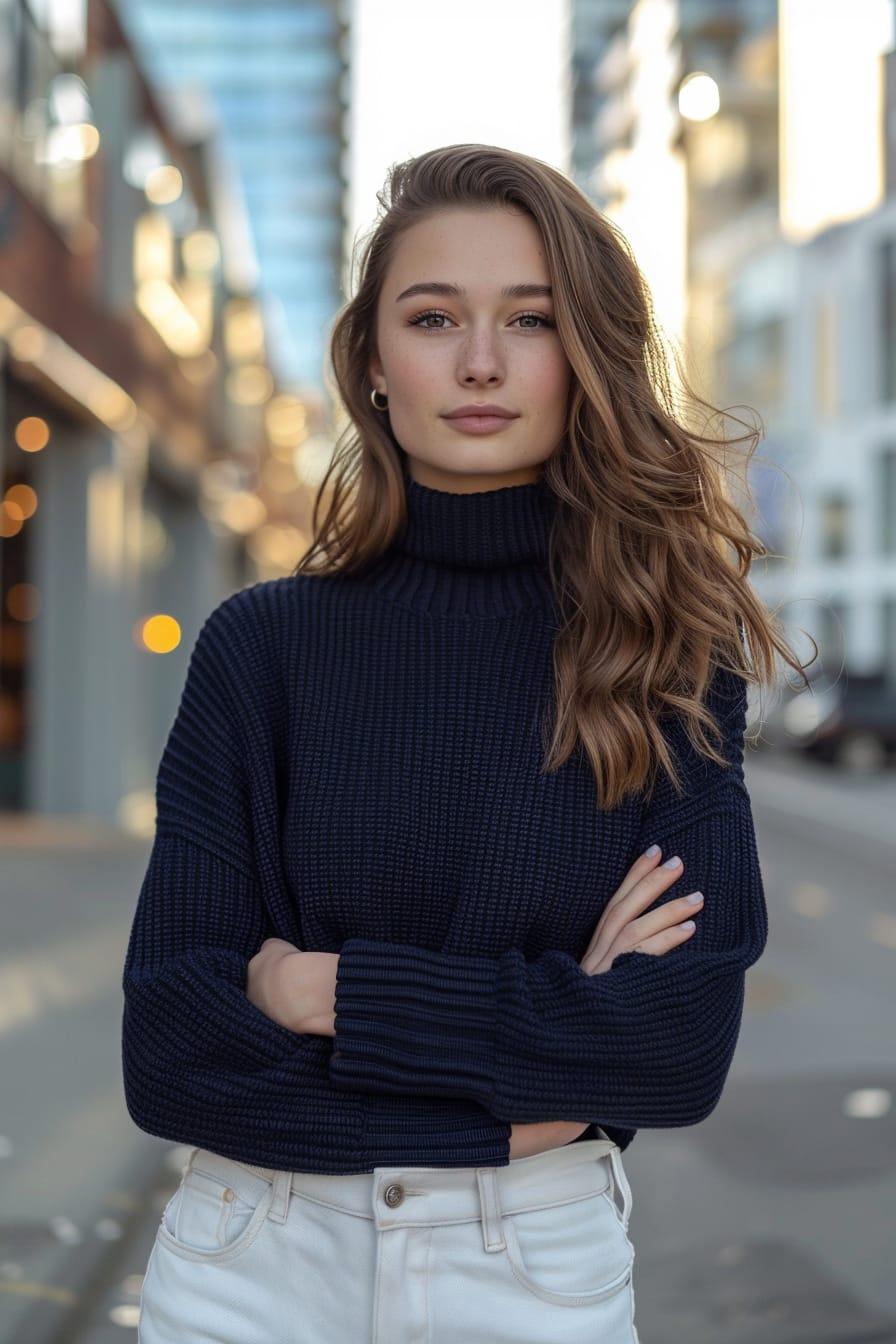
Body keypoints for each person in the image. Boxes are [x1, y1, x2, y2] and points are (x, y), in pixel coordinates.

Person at [123, 144, 805, 1344]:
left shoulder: (663, 658)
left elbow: (671, 1045)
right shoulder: (260, 648)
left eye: (528, 321)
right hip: (251, 1267)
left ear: (580, 357)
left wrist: (314, 986)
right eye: (433, 317)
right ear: (374, 363)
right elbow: (172, 1050)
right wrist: (529, 1079)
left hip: (531, 1276)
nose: (480, 362)